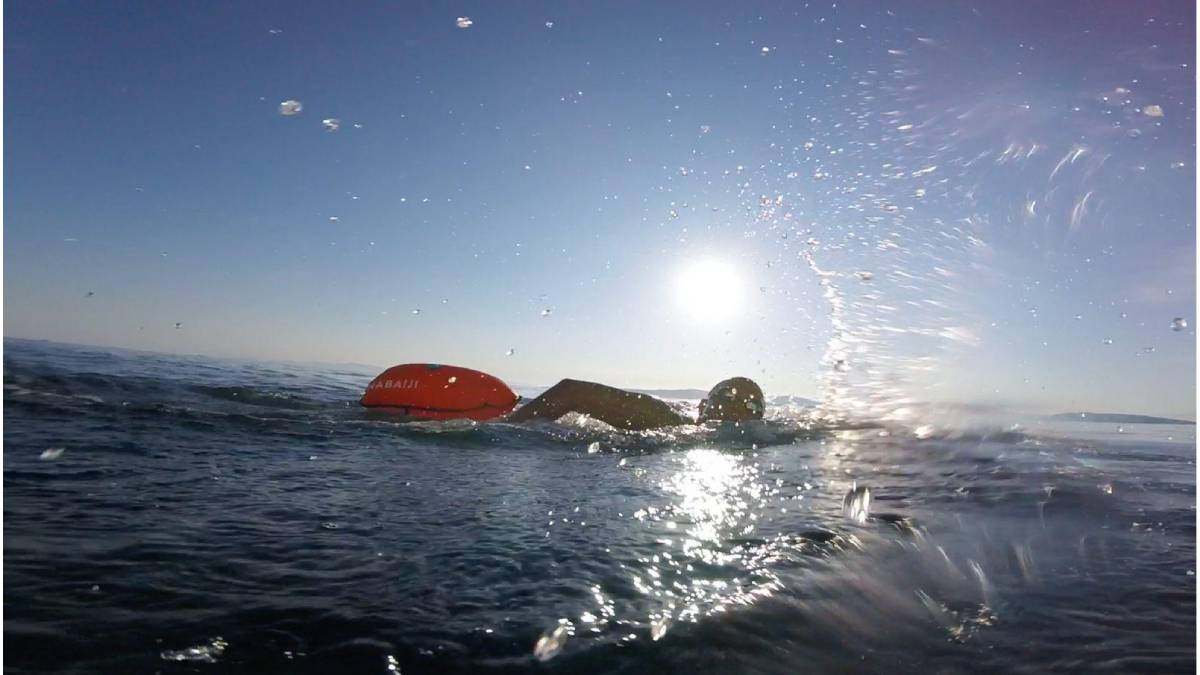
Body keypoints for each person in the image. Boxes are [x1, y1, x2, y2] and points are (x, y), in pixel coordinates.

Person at [507, 376, 765, 431]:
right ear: (701, 406)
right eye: (728, 397)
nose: (737, 408)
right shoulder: (661, 417)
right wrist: (506, 426)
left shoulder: (768, 442)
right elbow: (572, 391)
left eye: (752, 407)